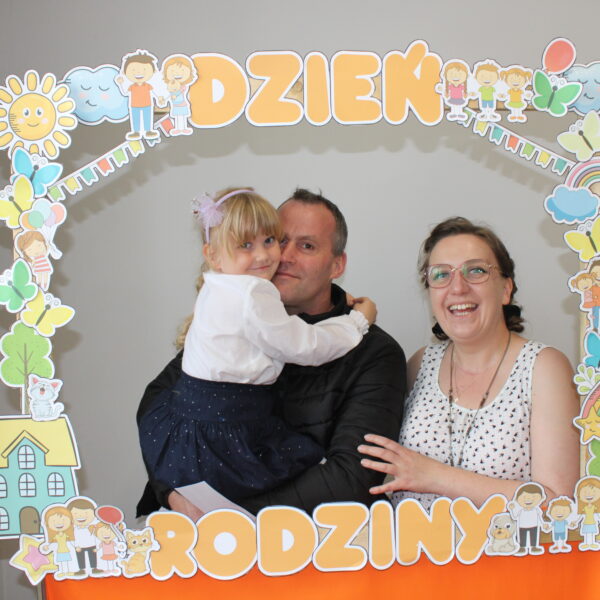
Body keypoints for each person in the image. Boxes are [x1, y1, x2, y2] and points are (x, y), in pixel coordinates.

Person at [136, 188, 406, 518]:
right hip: (191, 520)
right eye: (278, 239)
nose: (281, 255)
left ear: (337, 265)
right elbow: (159, 407)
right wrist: (172, 493)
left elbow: (351, 478)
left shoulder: (374, 354)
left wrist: (225, 517)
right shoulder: (229, 317)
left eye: (306, 246)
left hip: (301, 537)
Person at [359, 216, 579, 509]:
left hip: (503, 541)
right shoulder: (419, 364)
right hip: (413, 539)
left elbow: (558, 504)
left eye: (476, 271)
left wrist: (436, 477)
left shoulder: (543, 367)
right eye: (441, 274)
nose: (458, 288)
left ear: (505, 289)